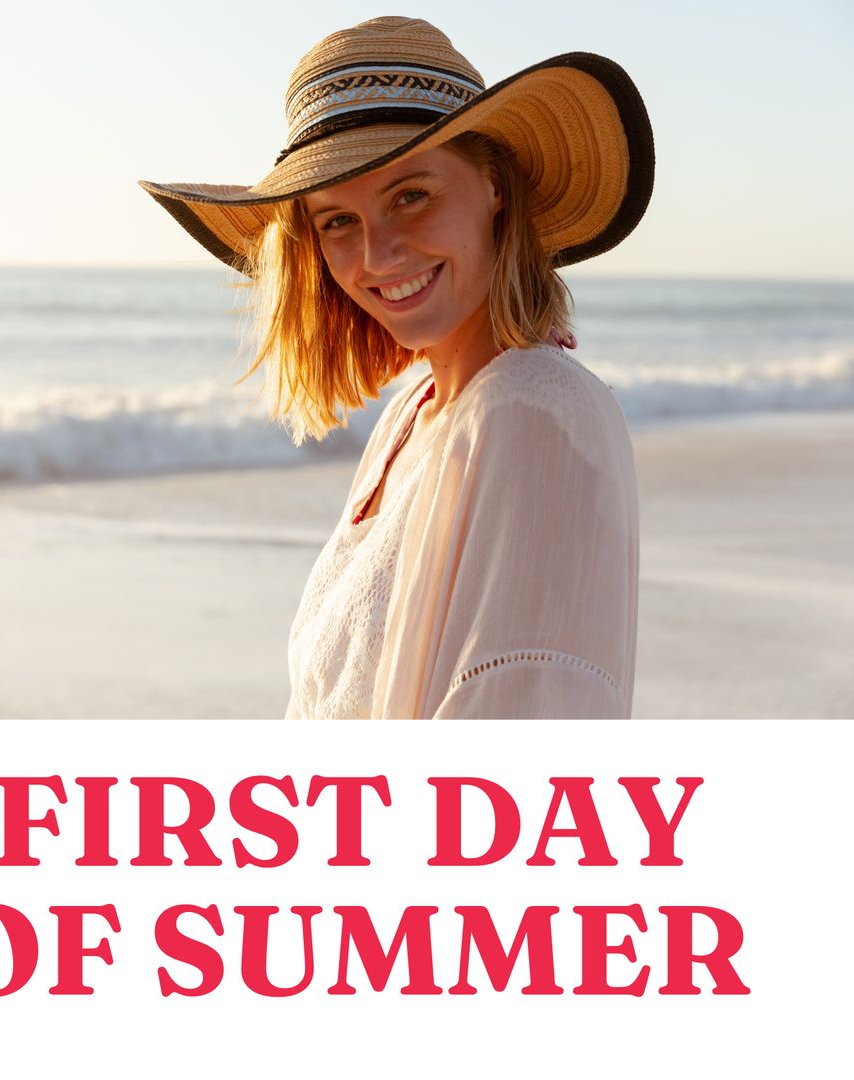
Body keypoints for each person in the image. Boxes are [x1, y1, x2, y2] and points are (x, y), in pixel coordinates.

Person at [140, 16, 654, 719]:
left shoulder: (535, 411)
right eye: (337, 222)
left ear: (494, 185)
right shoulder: (416, 415)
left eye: (411, 195)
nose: (378, 255)